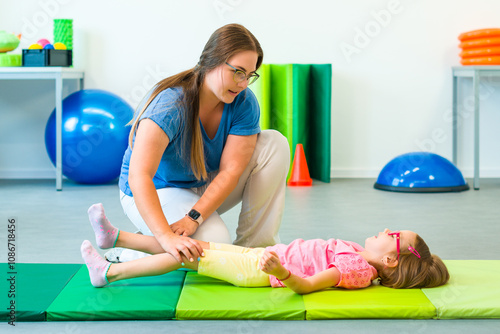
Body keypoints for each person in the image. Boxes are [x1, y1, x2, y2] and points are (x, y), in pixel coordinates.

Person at [117, 23, 290, 264]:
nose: (242, 84)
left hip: (201, 182)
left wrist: (193, 218)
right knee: (216, 246)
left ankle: (255, 253)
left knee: (274, 143)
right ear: (211, 61)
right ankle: (133, 250)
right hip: (156, 189)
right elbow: (139, 177)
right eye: (238, 72)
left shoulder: (243, 102)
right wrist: (166, 236)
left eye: (249, 75)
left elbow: (231, 170)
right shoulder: (170, 105)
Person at [82, 204, 450, 293]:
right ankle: (117, 239)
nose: (387, 229)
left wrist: (279, 272)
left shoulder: (357, 270)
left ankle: (109, 272)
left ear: (389, 258)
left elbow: (308, 286)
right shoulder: (357, 251)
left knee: (185, 256)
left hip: (258, 270)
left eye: (395, 234)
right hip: (258, 258)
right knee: (190, 244)